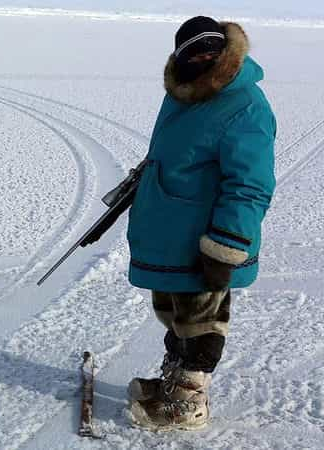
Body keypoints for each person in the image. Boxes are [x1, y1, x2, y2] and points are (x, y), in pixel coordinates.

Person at [125, 16, 276, 431]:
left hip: (206, 237)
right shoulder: (183, 93)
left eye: (212, 48)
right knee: (174, 314)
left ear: (226, 51)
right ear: (181, 57)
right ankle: (174, 383)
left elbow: (250, 184)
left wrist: (227, 243)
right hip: (168, 232)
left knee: (203, 318)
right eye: (194, 51)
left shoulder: (245, 104)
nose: (204, 57)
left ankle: (189, 402)